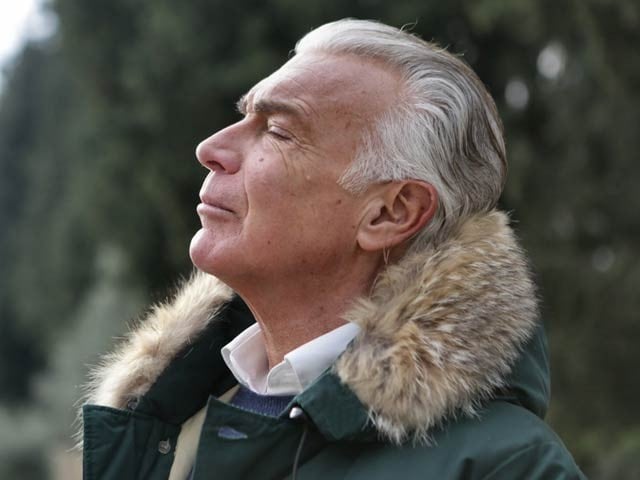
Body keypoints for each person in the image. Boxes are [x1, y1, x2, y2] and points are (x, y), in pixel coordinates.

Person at [80, 19, 585, 479]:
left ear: (391, 213)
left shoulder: (509, 467)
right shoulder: (168, 423)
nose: (210, 148)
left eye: (278, 131)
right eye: (244, 116)